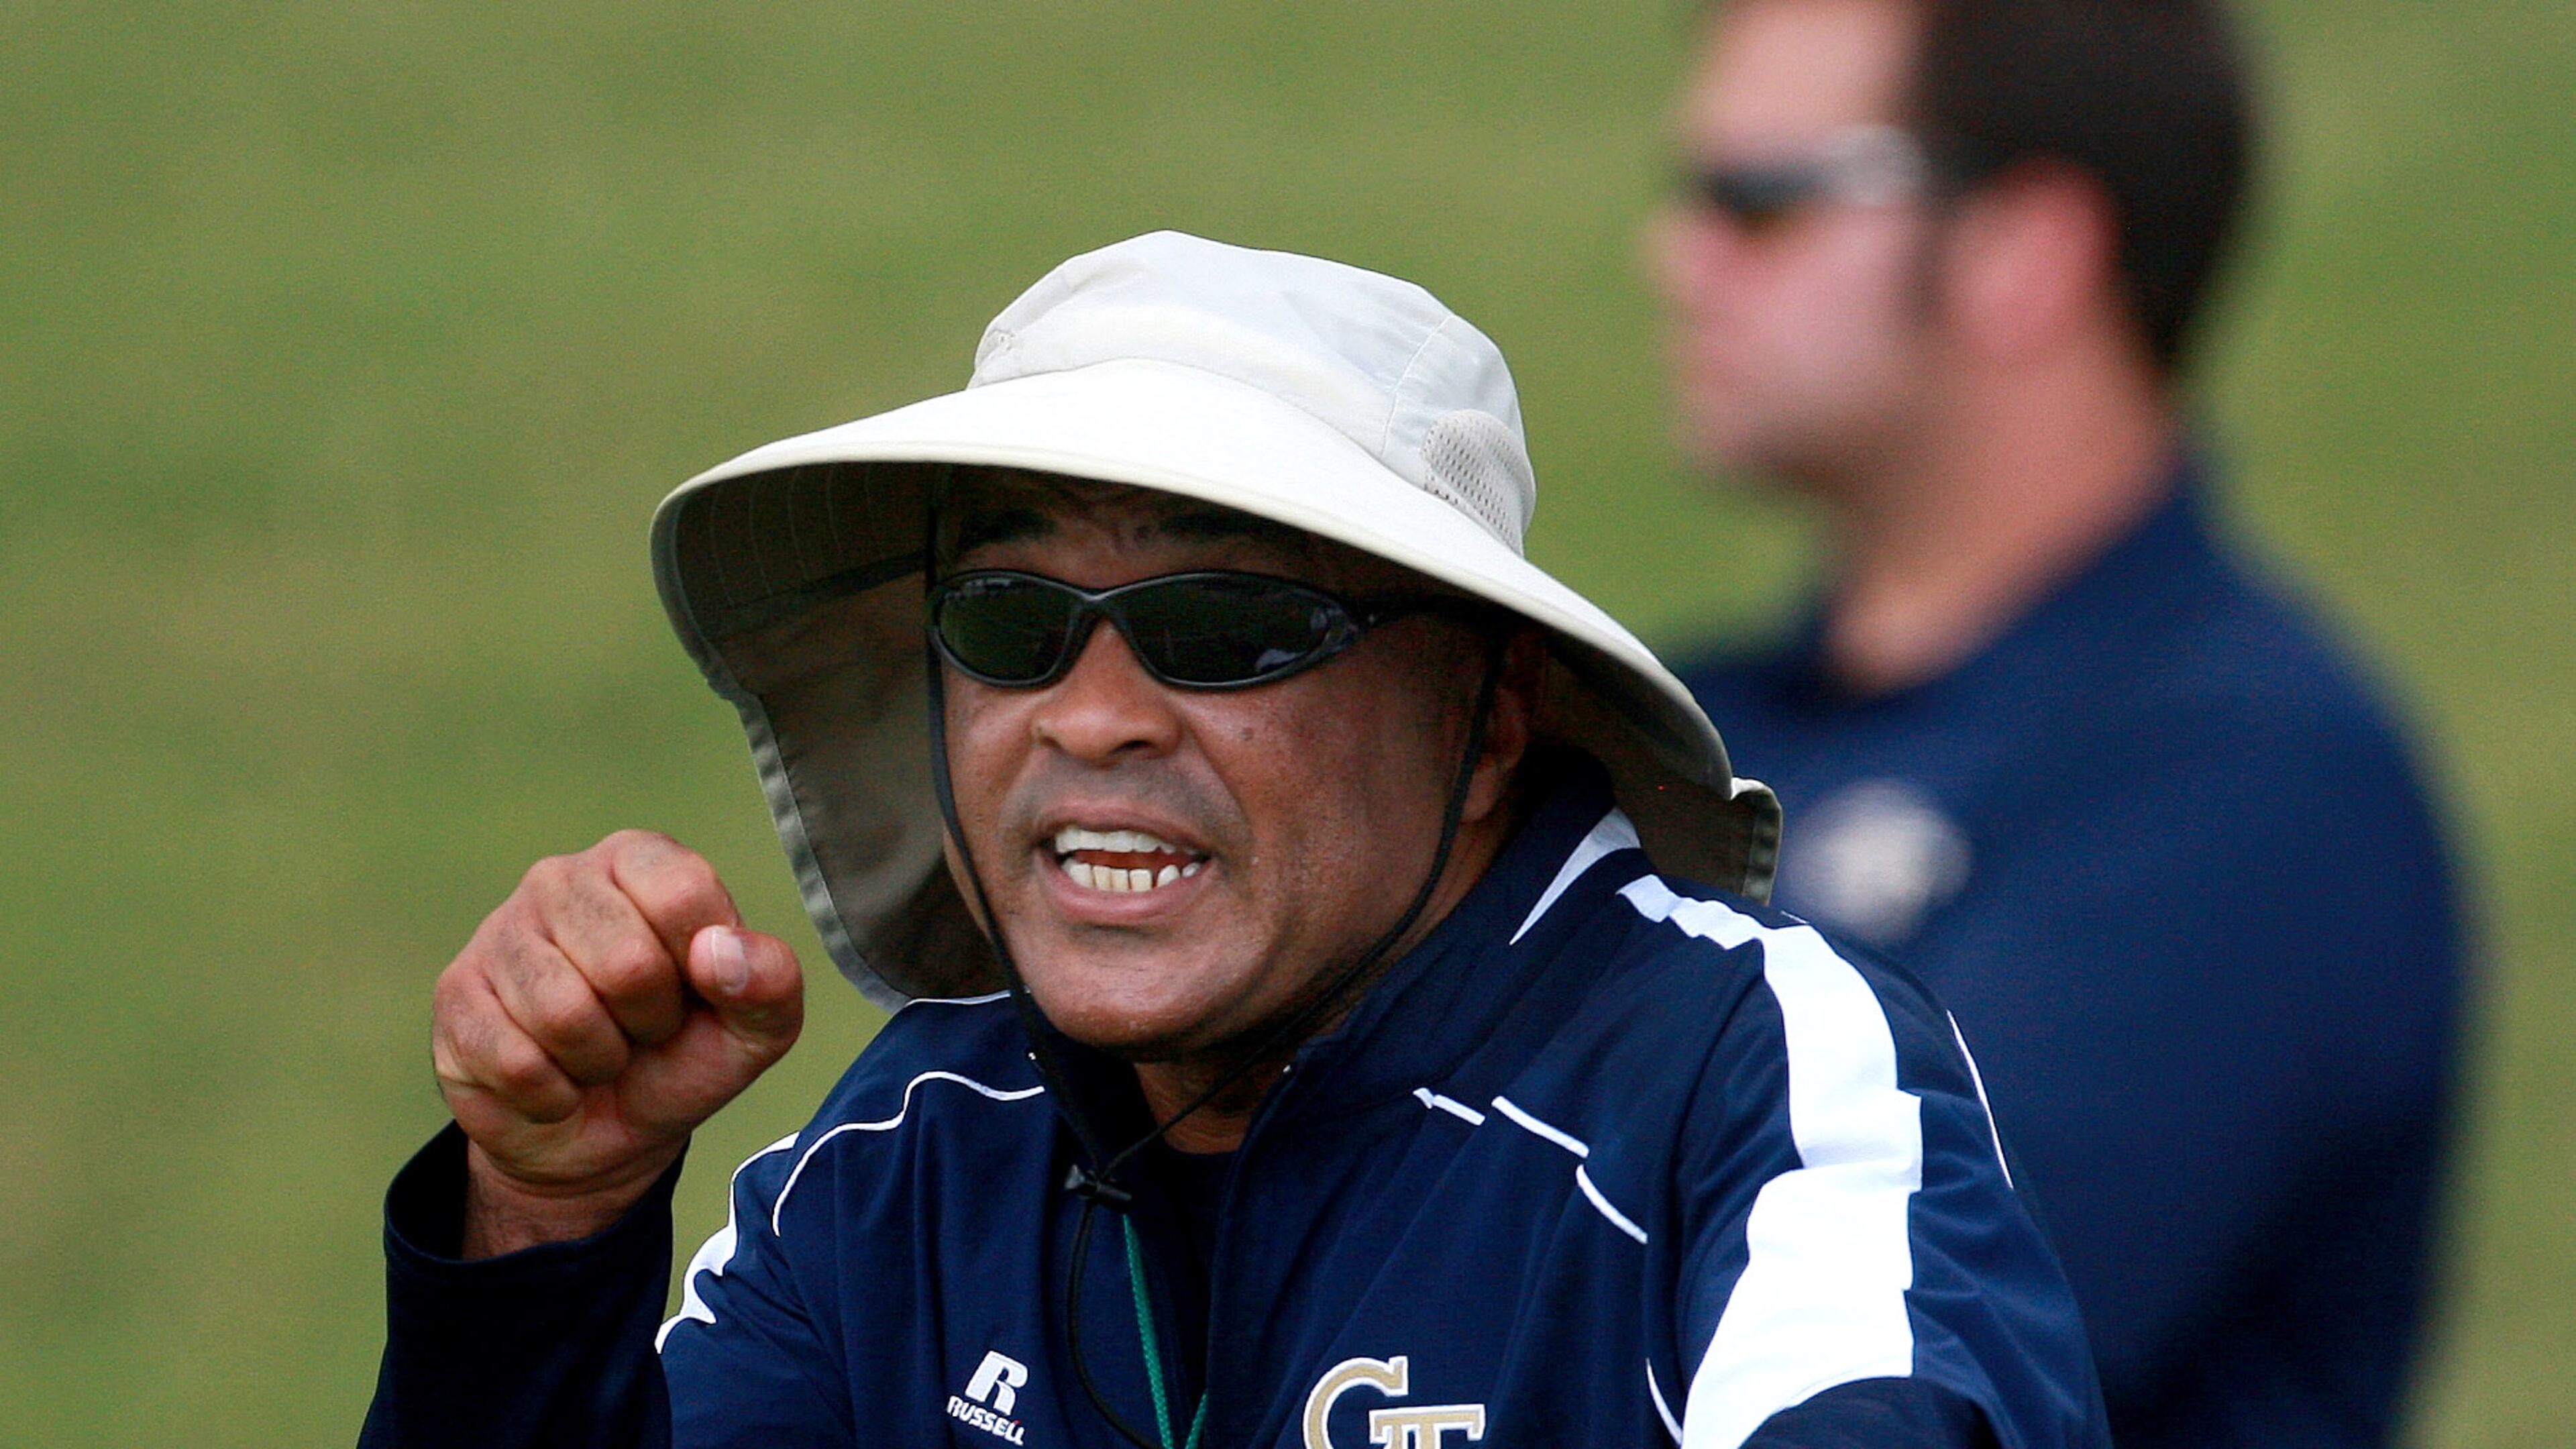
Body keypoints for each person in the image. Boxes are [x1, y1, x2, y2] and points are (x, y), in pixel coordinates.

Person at [361, 231, 2111, 1447]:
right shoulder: (908, 1155)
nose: (1092, 716)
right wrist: (543, 1219)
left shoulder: (1751, 1083)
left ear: (1489, 712)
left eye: (1223, 628)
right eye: (1010, 620)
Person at [1650, 1, 2465, 1444]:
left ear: (2024, 253)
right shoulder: (1681, 725)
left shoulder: (2260, 795)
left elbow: (1871, 1347)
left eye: (1759, 202)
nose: (1677, 255)